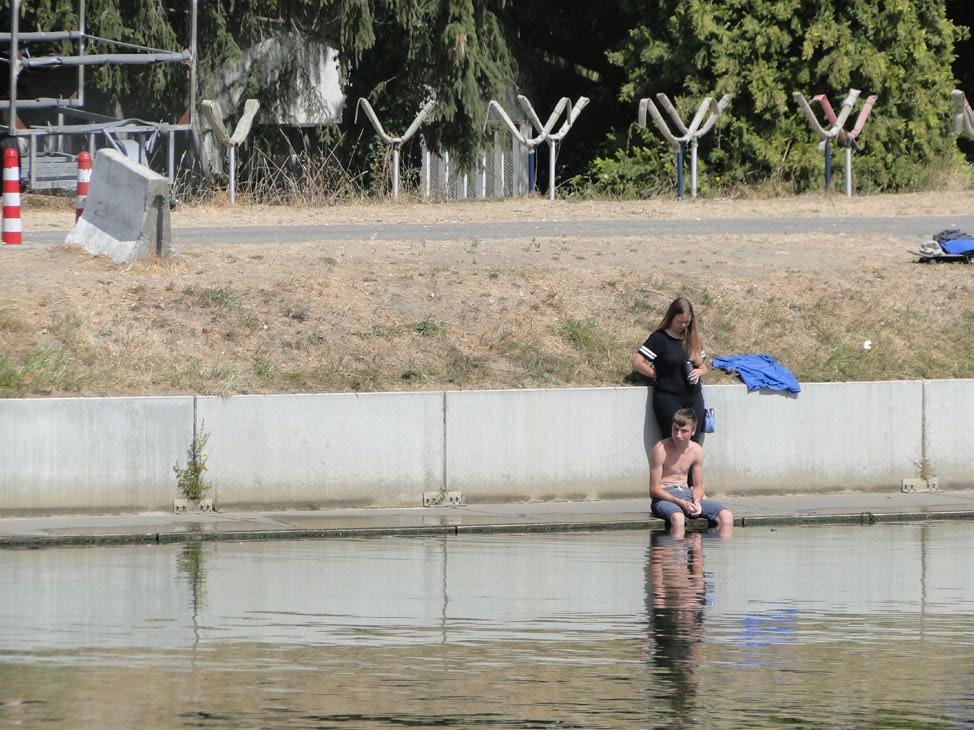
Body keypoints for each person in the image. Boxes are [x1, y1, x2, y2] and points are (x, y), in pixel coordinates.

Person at [630, 296, 707, 444]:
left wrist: (699, 371)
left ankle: (691, 468)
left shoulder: (692, 338)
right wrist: (655, 374)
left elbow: (702, 365)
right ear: (671, 317)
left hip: (693, 397)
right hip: (668, 397)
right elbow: (637, 362)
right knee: (671, 441)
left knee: (694, 442)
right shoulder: (659, 338)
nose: (683, 325)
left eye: (687, 322)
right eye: (680, 321)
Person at [649, 408, 732, 536]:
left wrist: (697, 502)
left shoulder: (697, 451)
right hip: (665, 497)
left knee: (726, 516)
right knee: (678, 518)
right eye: (675, 429)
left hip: (687, 495)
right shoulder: (661, 449)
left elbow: (698, 486)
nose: (678, 435)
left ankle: (699, 548)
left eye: (684, 431)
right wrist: (680, 502)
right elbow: (654, 490)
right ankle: (678, 550)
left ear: (693, 431)